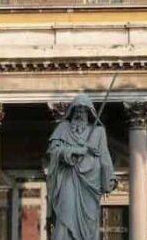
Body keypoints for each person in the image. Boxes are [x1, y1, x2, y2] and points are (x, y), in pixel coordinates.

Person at [46, 94, 116, 240]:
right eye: (77, 110)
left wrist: (110, 178)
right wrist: (76, 151)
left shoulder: (98, 132)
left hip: (91, 182)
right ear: (71, 111)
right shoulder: (63, 128)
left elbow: (105, 156)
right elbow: (53, 151)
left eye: (83, 111)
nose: (79, 113)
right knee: (66, 213)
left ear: (89, 113)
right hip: (68, 178)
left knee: (90, 224)